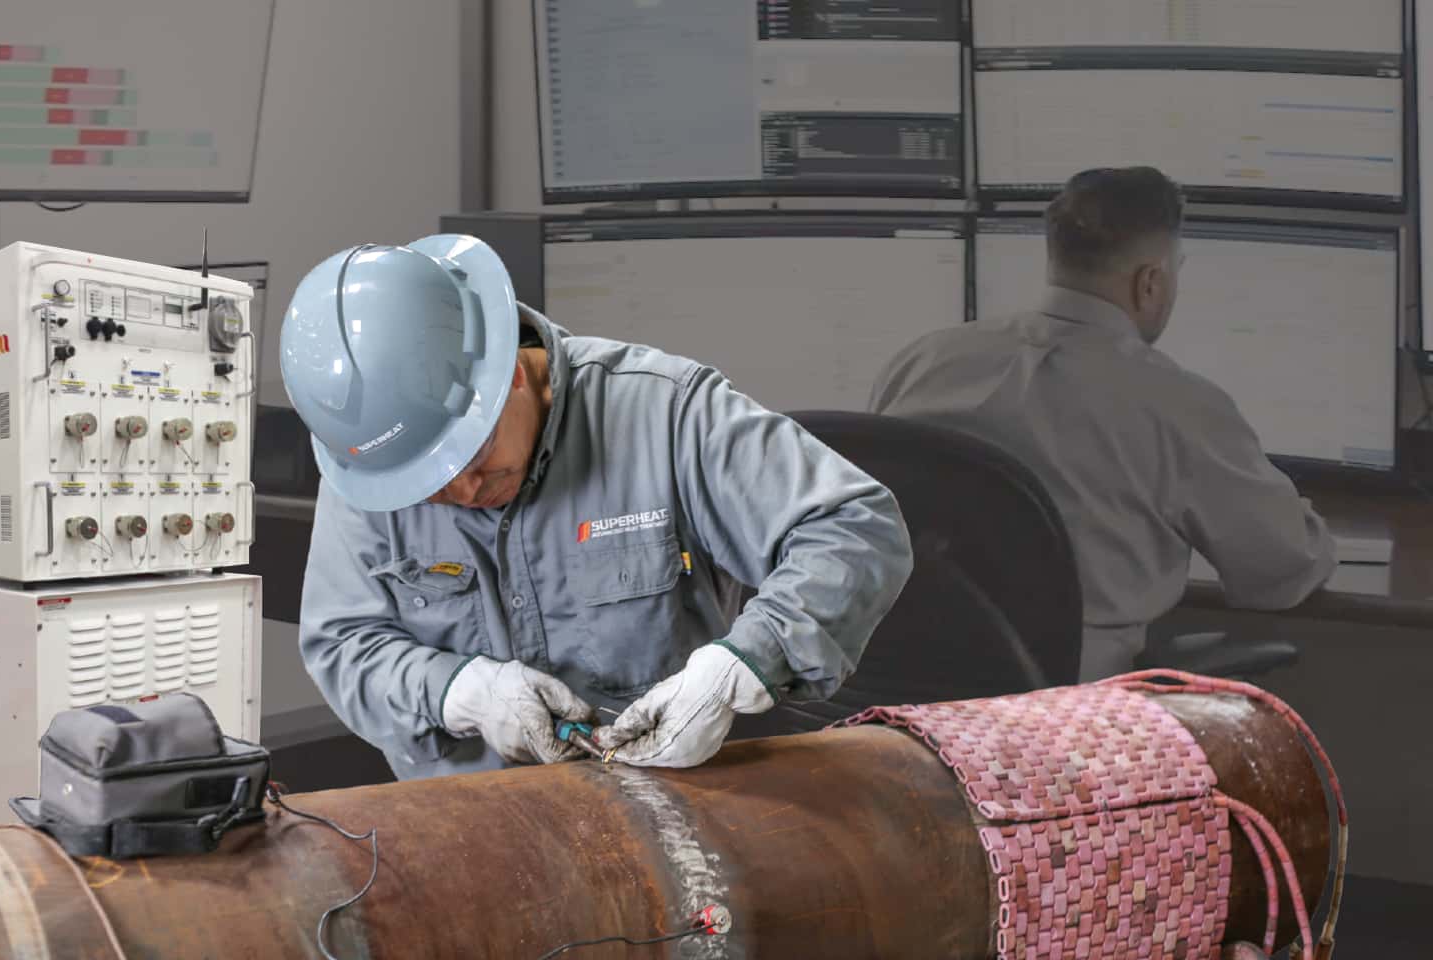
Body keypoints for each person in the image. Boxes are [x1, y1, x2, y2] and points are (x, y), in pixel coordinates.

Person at [280, 235, 913, 779]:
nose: (463, 492)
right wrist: (458, 692)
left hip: (674, 815)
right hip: (465, 831)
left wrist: (740, 666)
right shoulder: (377, 464)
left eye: (470, 460)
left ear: (511, 374)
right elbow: (345, 643)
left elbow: (852, 529)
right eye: (430, 487)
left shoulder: (665, 414)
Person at [869, 166, 1334, 680]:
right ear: (1150, 281)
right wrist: (1299, 516)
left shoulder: (922, 361)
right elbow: (1279, 574)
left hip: (912, 704)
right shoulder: (1177, 401)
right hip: (1073, 721)